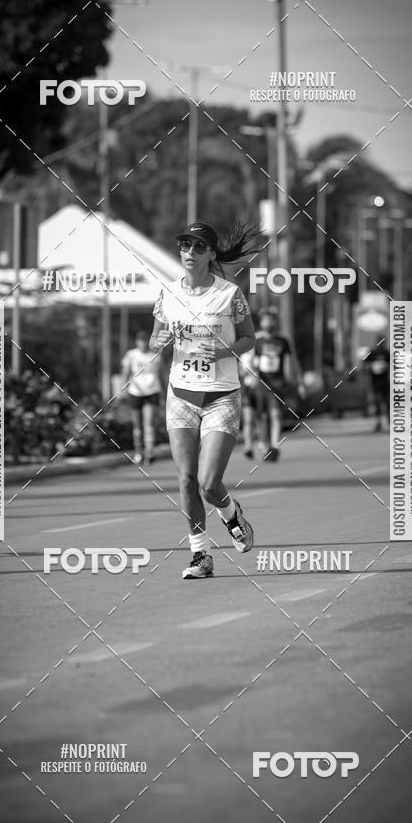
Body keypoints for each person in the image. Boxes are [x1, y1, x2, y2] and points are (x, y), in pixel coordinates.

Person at [149, 220, 259, 579]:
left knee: (209, 484)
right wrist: (158, 342)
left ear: (211, 254)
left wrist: (225, 350)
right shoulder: (167, 292)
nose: (190, 253)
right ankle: (200, 556)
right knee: (185, 479)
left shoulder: (230, 294)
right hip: (180, 394)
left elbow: (249, 339)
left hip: (221, 396)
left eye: (198, 247)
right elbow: (157, 336)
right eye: (185, 246)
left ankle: (231, 514)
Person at [253, 307, 304, 461]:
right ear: (261, 323)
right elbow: (249, 361)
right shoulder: (256, 339)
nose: (268, 323)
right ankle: (262, 442)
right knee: (261, 415)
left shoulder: (283, 340)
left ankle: (274, 445)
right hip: (261, 383)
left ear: (276, 322)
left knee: (275, 414)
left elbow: (293, 361)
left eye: (271, 320)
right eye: (265, 320)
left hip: (278, 383)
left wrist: (299, 382)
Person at [120, 330, 163, 464]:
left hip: (152, 391)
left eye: (145, 340)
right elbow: (125, 373)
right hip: (135, 392)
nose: (143, 343)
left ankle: (150, 452)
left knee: (149, 423)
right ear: (137, 342)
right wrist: (123, 390)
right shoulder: (131, 355)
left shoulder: (155, 355)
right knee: (137, 425)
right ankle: (139, 452)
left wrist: (165, 392)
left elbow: (161, 375)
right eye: (140, 340)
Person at [364, 342, 390, 432]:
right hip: (375, 382)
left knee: (387, 402)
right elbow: (364, 362)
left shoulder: (387, 353)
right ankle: (379, 422)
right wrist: (369, 367)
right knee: (378, 402)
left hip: (385, 382)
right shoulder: (372, 353)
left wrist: (386, 366)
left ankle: (389, 420)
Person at [239, 345, 258, 459]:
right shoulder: (244, 355)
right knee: (249, 419)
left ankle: (264, 444)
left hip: (262, 389)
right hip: (248, 389)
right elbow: (241, 372)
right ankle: (248, 446)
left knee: (261, 419)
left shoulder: (262, 351)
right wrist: (248, 368)